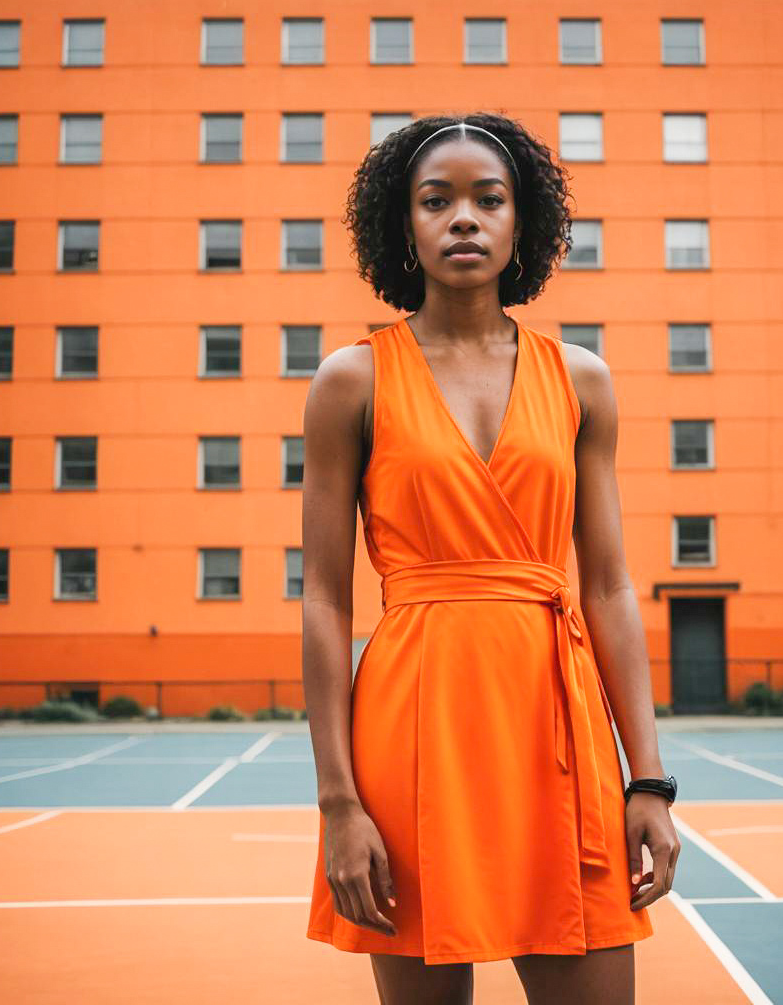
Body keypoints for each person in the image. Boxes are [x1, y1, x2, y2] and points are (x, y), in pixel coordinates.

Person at [302, 111, 681, 1005]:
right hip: (411, 725)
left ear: (523, 225)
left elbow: (609, 584)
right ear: (405, 227)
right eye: (436, 200)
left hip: (557, 721)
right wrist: (338, 802)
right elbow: (323, 597)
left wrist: (649, 779)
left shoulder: (580, 376)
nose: (462, 218)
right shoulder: (350, 379)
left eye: (487, 199)